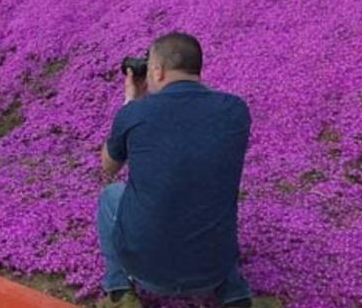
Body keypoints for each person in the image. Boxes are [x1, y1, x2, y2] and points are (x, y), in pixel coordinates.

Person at [97, 33, 253, 308]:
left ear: (156, 70)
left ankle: (120, 291)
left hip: (148, 272)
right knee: (206, 195)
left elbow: (108, 166)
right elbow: (194, 120)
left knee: (111, 195)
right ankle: (234, 294)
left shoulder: (134, 113)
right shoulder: (236, 110)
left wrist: (131, 102)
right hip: (212, 272)